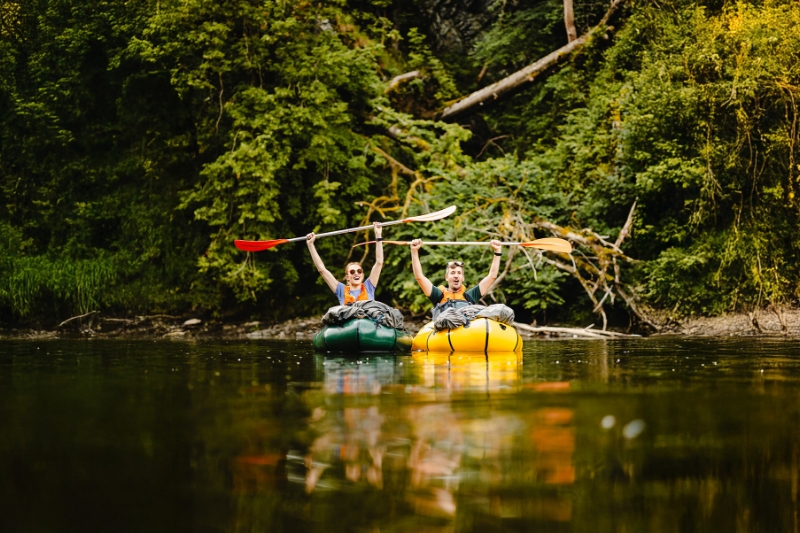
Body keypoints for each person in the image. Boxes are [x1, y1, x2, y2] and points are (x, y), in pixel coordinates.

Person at [410, 238, 502, 319]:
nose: (456, 276)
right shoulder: (437, 295)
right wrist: (414, 251)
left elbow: (492, 276)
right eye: (453, 273)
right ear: (446, 277)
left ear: (463, 278)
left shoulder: (470, 296)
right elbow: (419, 277)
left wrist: (497, 251)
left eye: (459, 273)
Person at [306, 222, 383, 305]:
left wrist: (378, 234)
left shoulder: (369, 287)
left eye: (359, 271)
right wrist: (310, 245)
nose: (356, 273)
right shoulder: (341, 290)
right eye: (352, 272)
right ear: (347, 277)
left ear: (363, 275)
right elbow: (322, 270)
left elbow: (379, 262)